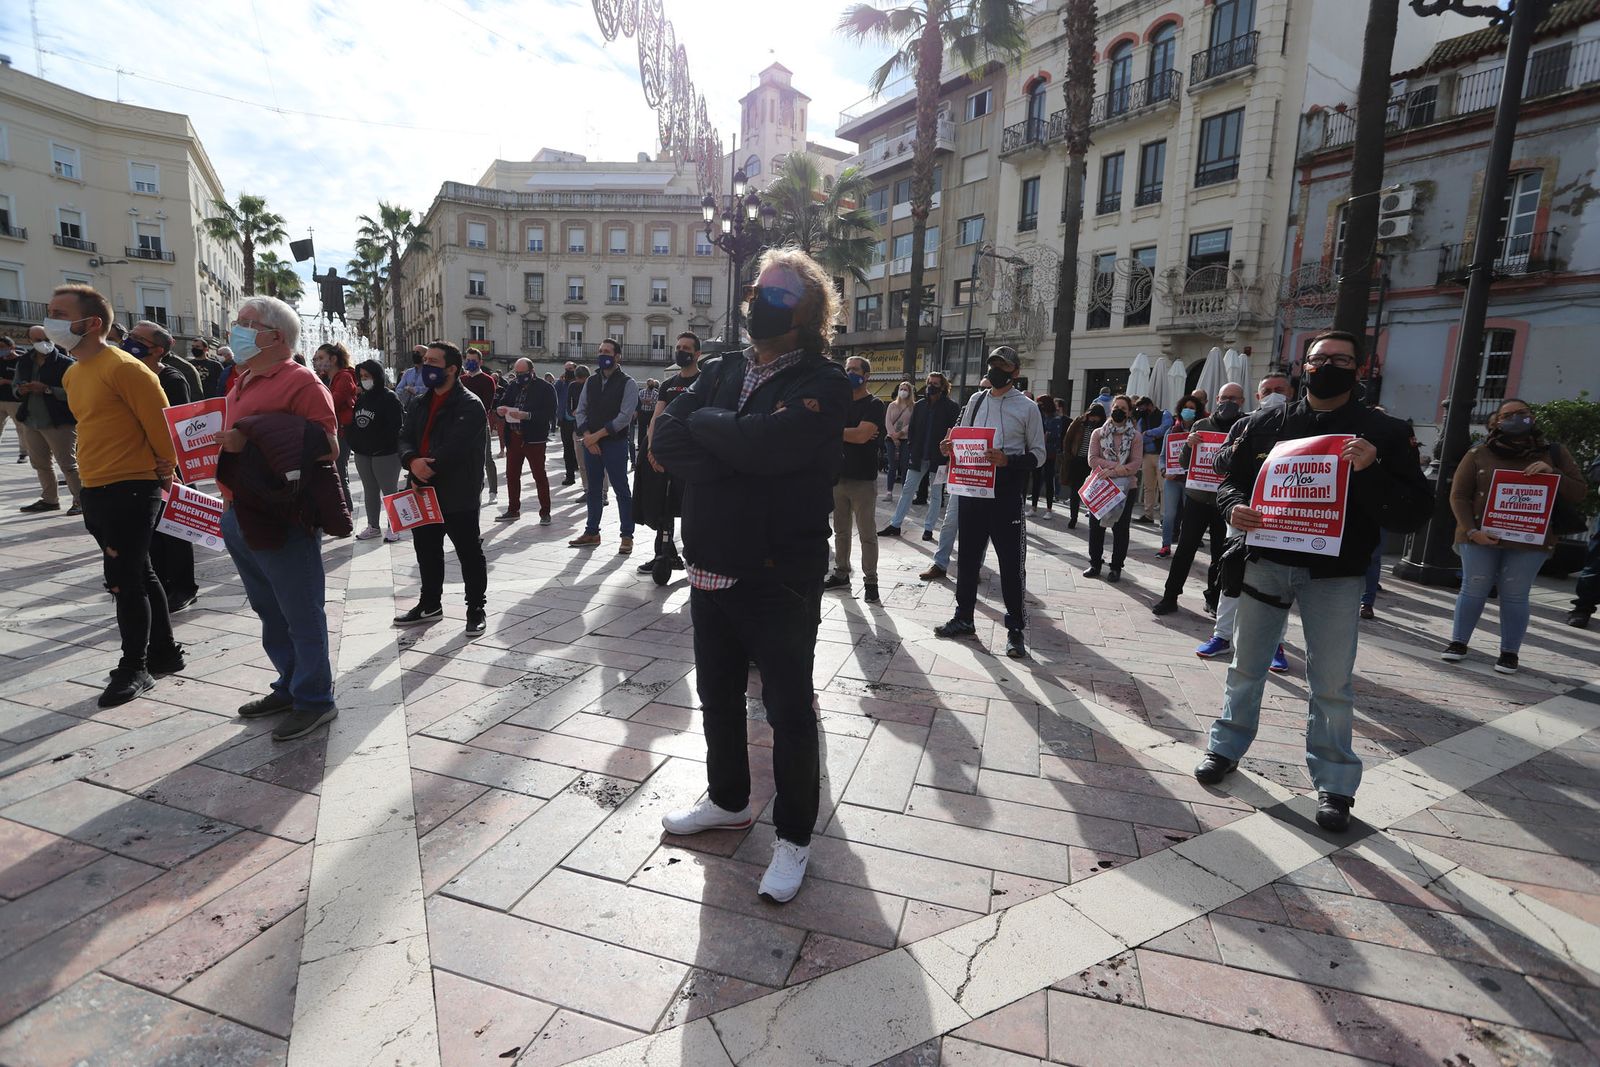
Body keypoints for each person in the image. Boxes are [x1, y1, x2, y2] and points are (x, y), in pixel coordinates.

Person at [652, 247, 850, 904]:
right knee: (716, 696)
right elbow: (665, 442)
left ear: (809, 310)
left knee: (789, 710)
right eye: (759, 288)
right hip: (707, 566)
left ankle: (793, 837)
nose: (761, 300)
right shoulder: (720, 369)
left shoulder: (825, 383)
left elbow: (771, 448)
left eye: (780, 293)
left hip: (779, 577)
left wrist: (719, 434)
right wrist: (735, 445)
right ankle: (730, 798)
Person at [1196, 330, 1432, 832]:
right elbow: (1228, 480)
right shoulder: (1265, 422)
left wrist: (1372, 470)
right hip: (1265, 561)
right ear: (1304, 366)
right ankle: (1225, 747)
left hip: (1336, 574)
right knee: (1246, 664)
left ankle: (1335, 783)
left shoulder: (1383, 432)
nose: (1328, 367)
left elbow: (1413, 511)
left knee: (1330, 681)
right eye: (1319, 359)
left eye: (1340, 360)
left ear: (1358, 368)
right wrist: (1232, 507)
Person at [217, 295, 343, 741]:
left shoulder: (301, 382)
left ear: (274, 335)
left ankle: (314, 698)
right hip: (238, 512)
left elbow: (327, 447)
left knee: (300, 609)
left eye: (246, 323)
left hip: (281, 516)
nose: (237, 327)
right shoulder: (245, 378)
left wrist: (249, 439)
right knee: (268, 607)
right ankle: (289, 684)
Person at [51, 287, 183, 707]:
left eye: (59, 314)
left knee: (123, 580)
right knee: (140, 573)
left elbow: (162, 428)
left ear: (91, 323)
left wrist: (165, 475)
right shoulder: (73, 372)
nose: (51, 319)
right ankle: (164, 652)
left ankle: (135, 666)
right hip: (94, 486)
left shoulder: (127, 368)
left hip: (132, 485)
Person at [1442, 398, 1587, 673]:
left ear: (1533, 417)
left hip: (1530, 539)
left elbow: (1579, 492)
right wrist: (1472, 531)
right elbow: (1459, 495)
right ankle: (1458, 643)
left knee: (1515, 594)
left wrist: (1552, 473)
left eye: (1522, 413)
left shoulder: (1553, 453)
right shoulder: (1478, 453)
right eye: (1507, 415)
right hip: (1480, 536)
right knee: (1473, 588)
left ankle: (1509, 653)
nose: (1516, 419)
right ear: (1495, 422)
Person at [932, 348, 1046, 659]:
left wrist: (1008, 460)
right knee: (967, 558)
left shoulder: (1027, 408)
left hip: (1006, 492)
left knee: (1010, 564)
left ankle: (1015, 629)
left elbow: (1039, 455)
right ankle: (963, 617)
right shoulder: (976, 400)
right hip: (971, 489)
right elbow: (961, 437)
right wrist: (949, 446)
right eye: (993, 365)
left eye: (1003, 366)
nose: (996, 370)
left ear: (1015, 372)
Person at [1193, 373, 1293, 665]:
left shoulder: (1301, 425)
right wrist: (1237, 447)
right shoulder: (1243, 425)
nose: (1274, 395)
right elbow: (1219, 465)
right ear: (1258, 397)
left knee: (1279, 584)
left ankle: (1275, 645)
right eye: (1267, 391)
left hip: (1283, 518)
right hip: (1243, 513)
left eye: (1280, 390)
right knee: (1232, 576)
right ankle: (1222, 636)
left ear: (1290, 393)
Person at [395, 342, 489, 635]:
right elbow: (404, 435)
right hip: (422, 489)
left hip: (457, 491)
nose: (427, 365)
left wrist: (424, 468)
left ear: (451, 369)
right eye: (425, 360)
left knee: (468, 552)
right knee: (426, 549)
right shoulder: (420, 401)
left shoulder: (470, 404)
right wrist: (411, 460)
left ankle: (475, 608)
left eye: (434, 361)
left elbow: (456, 447)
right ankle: (430, 604)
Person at [125, 320, 198, 613]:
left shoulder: (171, 379)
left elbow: (178, 427)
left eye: (135, 337)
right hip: (139, 465)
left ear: (156, 348)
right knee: (151, 531)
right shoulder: (129, 374)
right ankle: (161, 585)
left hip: (169, 466)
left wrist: (172, 469)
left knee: (176, 528)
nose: (128, 340)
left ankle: (184, 587)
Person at [1153, 384, 1245, 612]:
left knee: (1219, 553)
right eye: (1224, 398)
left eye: (1233, 398)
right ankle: (1170, 596)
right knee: (1184, 549)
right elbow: (1184, 463)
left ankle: (1213, 599)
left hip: (1225, 502)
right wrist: (1188, 445)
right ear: (1216, 399)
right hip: (1197, 498)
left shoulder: (1245, 427)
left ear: (1242, 401)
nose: (1228, 402)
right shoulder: (1201, 425)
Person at [636, 332, 702, 575]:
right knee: (663, 507)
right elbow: (657, 418)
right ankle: (663, 554)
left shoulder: (704, 381)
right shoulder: (667, 384)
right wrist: (653, 448)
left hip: (691, 458)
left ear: (697, 354)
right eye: (678, 347)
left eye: (686, 348)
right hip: (666, 456)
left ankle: (695, 557)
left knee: (692, 509)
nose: (681, 351)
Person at [823, 356, 886, 603]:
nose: (849, 373)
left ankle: (871, 580)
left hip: (863, 479)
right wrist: (846, 433)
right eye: (847, 369)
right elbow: (852, 432)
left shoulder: (875, 404)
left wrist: (834, 432)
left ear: (866, 375)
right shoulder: (839, 402)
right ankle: (841, 572)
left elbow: (861, 435)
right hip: (838, 476)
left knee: (867, 533)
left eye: (854, 370)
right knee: (840, 530)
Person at [569, 339, 638, 554]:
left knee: (621, 490)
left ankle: (627, 535)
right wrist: (588, 436)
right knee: (593, 490)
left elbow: (624, 417)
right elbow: (580, 411)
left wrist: (596, 436)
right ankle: (592, 531)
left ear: (618, 356)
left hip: (615, 444)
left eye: (607, 351)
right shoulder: (591, 381)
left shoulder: (628, 383)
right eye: (600, 351)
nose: (602, 355)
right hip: (592, 444)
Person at [881, 370, 959, 541]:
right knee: (908, 489)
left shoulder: (951, 407)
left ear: (943, 387)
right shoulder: (920, 405)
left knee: (936, 494)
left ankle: (929, 529)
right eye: (929, 383)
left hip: (939, 458)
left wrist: (947, 457)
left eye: (935, 384)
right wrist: (911, 447)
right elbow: (913, 428)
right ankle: (895, 524)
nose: (931, 386)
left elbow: (954, 433)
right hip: (918, 456)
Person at [14, 324, 84, 515]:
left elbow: (75, 392)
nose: (43, 343)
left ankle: (81, 501)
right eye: (38, 340)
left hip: (59, 421)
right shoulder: (24, 362)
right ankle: (50, 500)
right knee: (40, 464)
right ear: (30, 341)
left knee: (68, 465)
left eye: (46, 339)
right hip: (31, 420)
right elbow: (16, 386)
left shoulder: (66, 363)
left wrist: (47, 389)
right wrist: (20, 390)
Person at [1083, 394, 1142, 583]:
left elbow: (1136, 464)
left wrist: (1113, 471)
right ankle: (1095, 563)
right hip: (1101, 486)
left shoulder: (1135, 436)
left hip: (1126, 488)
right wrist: (1115, 468)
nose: (1118, 411)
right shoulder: (1098, 433)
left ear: (1129, 413)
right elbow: (1092, 460)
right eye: (1116, 407)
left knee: (1121, 528)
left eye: (1123, 409)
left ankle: (1116, 567)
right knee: (1095, 526)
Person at [493, 357, 556, 525]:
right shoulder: (513, 386)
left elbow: (549, 413)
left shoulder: (545, 388)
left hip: (534, 439)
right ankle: (513, 510)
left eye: (523, 373)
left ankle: (545, 512)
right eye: (517, 373)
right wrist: (500, 410)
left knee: (539, 475)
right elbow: (503, 402)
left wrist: (527, 415)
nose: (519, 376)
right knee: (512, 475)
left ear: (532, 371)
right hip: (513, 437)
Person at [348, 359, 406, 542]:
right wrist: (355, 444)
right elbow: (355, 423)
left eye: (368, 376)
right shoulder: (362, 399)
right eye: (362, 376)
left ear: (377, 376)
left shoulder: (390, 397)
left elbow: (396, 426)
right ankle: (373, 526)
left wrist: (382, 444)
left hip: (385, 453)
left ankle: (394, 527)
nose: (364, 380)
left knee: (389, 491)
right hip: (363, 453)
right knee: (370, 490)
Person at [1156, 395, 1205, 558]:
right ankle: (1165, 545)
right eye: (1186, 407)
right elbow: (1163, 457)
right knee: (1169, 514)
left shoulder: (1201, 432)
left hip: (1191, 481)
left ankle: (1185, 548)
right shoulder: (1171, 431)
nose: (1188, 411)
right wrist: (1164, 471)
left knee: (1189, 516)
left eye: (1192, 408)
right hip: (1172, 480)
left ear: (1197, 411)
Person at [318, 343, 358, 515]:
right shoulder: (332, 378)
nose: (317, 362)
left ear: (333, 359)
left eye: (321, 358)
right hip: (336, 430)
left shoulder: (344, 377)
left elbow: (331, 403)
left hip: (342, 431)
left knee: (340, 472)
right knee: (337, 472)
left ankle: (346, 512)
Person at [458, 350, 500, 506]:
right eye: (468, 359)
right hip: (462, 426)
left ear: (480, 362)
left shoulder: (487, 380)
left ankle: (493, 491)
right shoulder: (461, 380)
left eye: (473, 360)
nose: (470, 362)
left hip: (481, 424)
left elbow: (486, 404)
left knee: (487, 458)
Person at [1059, 403, 1104, 530]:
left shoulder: (1103, 428)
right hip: (1077, 460)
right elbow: (1068, 439)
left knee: (1092, 492)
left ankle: (1092, 518)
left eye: (1096, 417)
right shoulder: (1079, 422)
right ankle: (1073, 517)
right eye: (1091, 416)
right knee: (1075, 491)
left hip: (1092, 464)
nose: (1093, 419)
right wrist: (1068, 456)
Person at [1135, 395, 1172, 523]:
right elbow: (1139, 437)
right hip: (1147, 455)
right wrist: (1154, 436)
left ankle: (1164, 516)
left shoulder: (1164, 414)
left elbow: (1165, 429)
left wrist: (1148, 433)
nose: (1141, 411)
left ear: (1150, 405)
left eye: (1143, 408)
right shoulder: (1142, 420)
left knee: (1163, 487)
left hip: (1161, 456)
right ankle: (1148, 514)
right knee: (1148, 487)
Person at [1031, 393, 1064, 516]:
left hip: (1049, 454)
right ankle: (1033, 507)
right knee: (1036, 480)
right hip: (1038, 451)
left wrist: (1045, 437)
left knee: (1049, 480)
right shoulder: (1039, 416)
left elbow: (1052, 436)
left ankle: (1049, 509)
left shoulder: (1055, 419)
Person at [884, 379, 914, 501]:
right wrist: (893, 435)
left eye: (905, 389)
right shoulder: (892, 405)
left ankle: (905, 493)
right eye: (901, 389)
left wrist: (901, 433)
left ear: (910, 392)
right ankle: (889, 492)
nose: (902, 391)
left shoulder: (913, 406)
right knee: (892, 466)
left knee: (905, 466)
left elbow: (912, 423)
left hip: (905, 439)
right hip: (891, 439)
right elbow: (887, 422)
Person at [0, 335, 24, 463]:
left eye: (2, 347)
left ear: (12, 347)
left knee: (21, 428)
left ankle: (23, 453)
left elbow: (24, 381)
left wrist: (6, 381)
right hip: (1, 400)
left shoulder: (21, 361)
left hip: (15, 401)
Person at [555, 361, 579, 486]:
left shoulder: (579, 383)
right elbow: (554, 391)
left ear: (575, 369)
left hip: (578, 420)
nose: (568, 371)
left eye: (570, 369)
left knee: (580, 449)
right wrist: (560, 381)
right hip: (564, 420)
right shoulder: (562, 383)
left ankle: (580, 469)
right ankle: (570, 475)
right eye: (566, 369)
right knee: (567, 448)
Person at [635, 376, 660, 467]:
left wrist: (647, 401)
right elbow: (640, 401)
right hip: (642, 413)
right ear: (647, 384)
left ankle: (649, 445)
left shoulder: (656, 393)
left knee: (651, 429)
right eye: (650, 384)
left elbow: (655, 402)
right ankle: (640, 445)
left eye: (652, 384)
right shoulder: (641, 392)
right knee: (641, 430)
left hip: (651, 413)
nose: (651, 385)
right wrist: (648, 401)